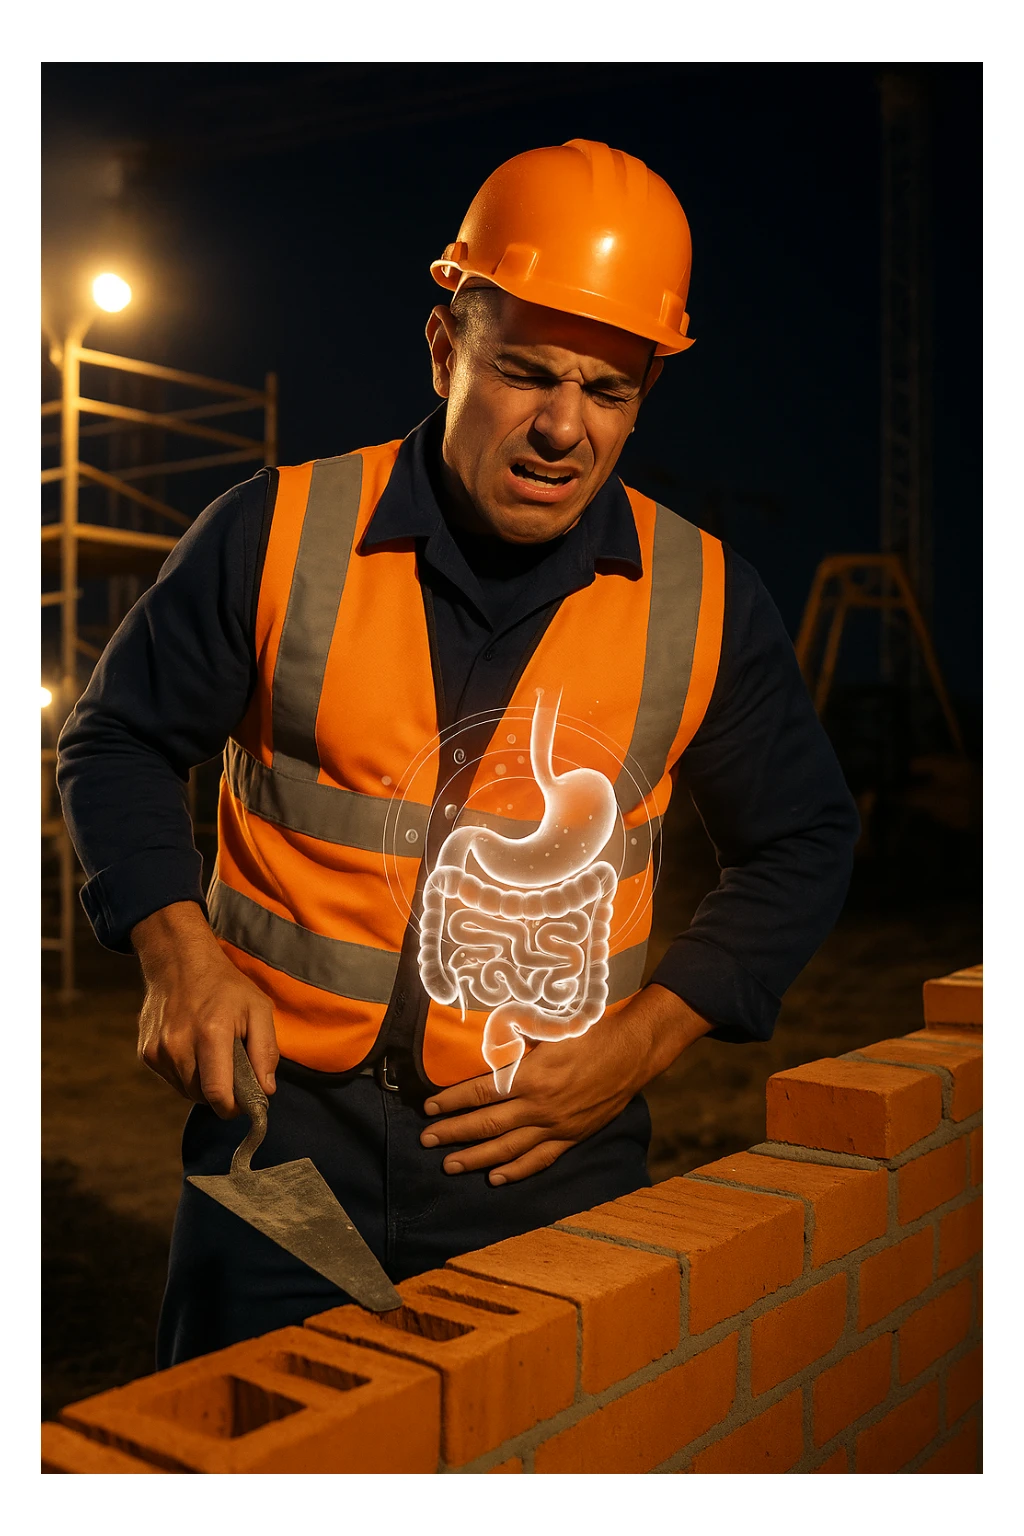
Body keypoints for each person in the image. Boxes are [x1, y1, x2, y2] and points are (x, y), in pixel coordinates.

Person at [57, 138, 859, 1367]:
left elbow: (803, 840)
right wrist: (176, 957)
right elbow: (113, 741)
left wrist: (638, 1048)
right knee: (254, 1462)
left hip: (546, 1154)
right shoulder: (275, 534)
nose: (561, 429)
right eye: (524, 372)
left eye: (610, 391)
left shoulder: (702, 598)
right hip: (279, 1144)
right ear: (445, 351)